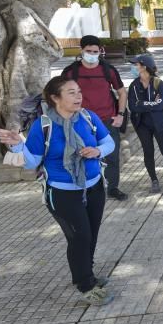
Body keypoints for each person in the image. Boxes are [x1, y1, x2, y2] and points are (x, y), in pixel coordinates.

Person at [0, 77, 116, 305]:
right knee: (80, 236)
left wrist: (97, 151)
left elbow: (109, 143)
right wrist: (17, 144)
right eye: (71, 92)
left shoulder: (88, 117)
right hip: (62, 192)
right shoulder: (43, 125)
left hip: (94, 186)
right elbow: (31, 162)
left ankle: (86, 274)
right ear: (55, 98)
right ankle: (85, 285)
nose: (78, 96)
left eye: (79, 91)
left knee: (91, 234)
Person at [62, 35, 128, 201]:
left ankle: (112, 187)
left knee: (111, 154)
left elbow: (121, 92)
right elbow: (61, 94)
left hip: (107, 120)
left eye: (95, 51)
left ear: (100, 51)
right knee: (83, 154)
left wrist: (120, 115)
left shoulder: (108, 70)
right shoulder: (71, 71)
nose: (92, 54)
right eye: (88, 51)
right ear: (81, 51)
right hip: (81, 121)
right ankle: (88, 187)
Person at [127, 54, 163, 193]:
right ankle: (154, 180)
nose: (133, 67)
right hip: (142, 124)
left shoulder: (158, 83)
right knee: (148, 152)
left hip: (160, 123)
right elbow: (133, 106)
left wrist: (143, 104)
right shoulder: (134, 85)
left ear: (144, 67)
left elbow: (161, 104)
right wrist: (151, 103)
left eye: (136, 64)